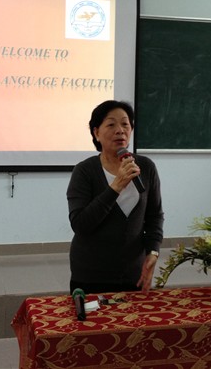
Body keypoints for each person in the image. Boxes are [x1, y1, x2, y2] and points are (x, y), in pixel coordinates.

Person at [67, 100, 164, 295]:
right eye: (111, 124)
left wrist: (153, 251)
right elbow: (81, 224)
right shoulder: (84, 171)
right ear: (96, 133)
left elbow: (155, 216)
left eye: (125, 124)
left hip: (134, 273)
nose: (120, 130)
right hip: (91, 274)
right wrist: (116, 186)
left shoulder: (146, 167)